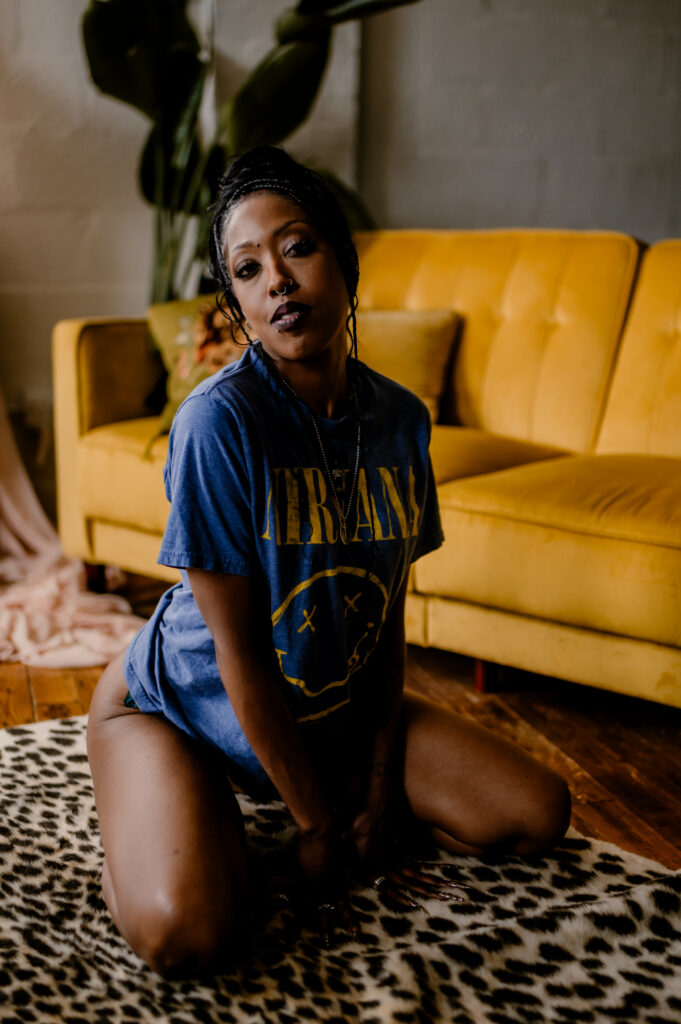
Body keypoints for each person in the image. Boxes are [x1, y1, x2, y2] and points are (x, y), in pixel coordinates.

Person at [87, 146, 571, 979]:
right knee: (190, 934)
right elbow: (238, 660)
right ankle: (147, 839)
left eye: (297, 247)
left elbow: (383, 621)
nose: (276, 279)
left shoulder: (399, 421)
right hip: (179, 708)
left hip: (323, 714)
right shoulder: (218, 423)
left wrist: (382, 782)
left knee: (534, 812)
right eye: (247, 269)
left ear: (342, 262)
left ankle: (268, 809)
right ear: (237, 305)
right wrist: (316, 830)